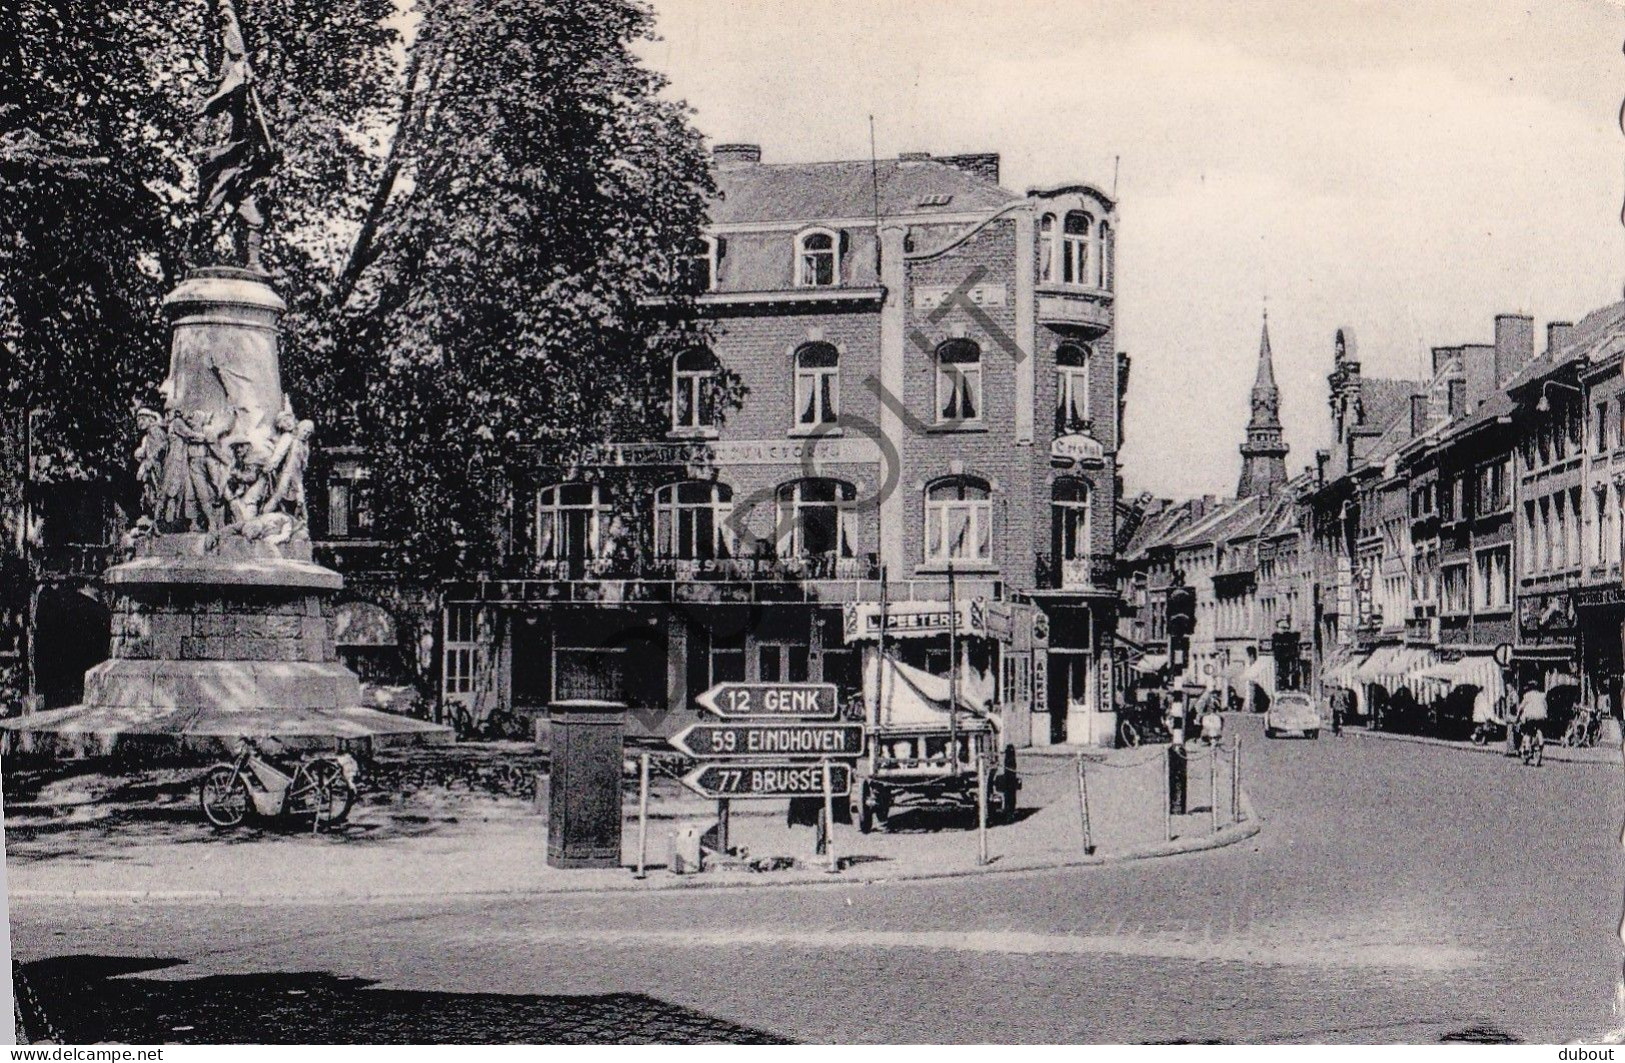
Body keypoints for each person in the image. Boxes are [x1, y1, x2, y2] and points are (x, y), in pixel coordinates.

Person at [1515, 681, 1547, 765]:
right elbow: (1546, 706)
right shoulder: (1542, 695)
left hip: (1531, 717)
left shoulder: (1527, 695)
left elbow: (1521, 707)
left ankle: (1527, 749)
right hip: (1541, 717)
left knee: (1528, 732)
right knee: (1539, 729)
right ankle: (1540, 743)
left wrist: (1517, 717)